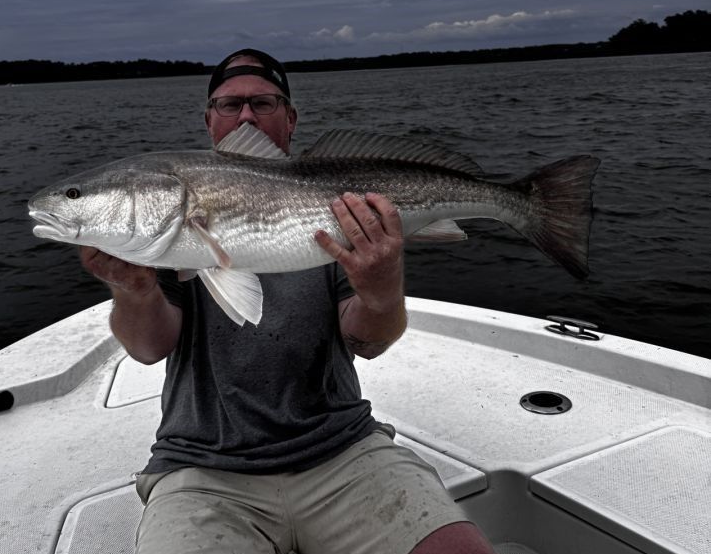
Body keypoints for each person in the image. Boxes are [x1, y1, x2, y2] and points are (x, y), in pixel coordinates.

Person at [80, 49, 496, 554]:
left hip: (341, 445)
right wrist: (136, 289)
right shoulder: (166, 231)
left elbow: (368, 343)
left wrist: (381, 288)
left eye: (263, 103)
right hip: (202, 464)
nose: (246, 116)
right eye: (229, 105)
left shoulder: (343, 208)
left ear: (291, 118)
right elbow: (149, 349)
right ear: (209, 120)